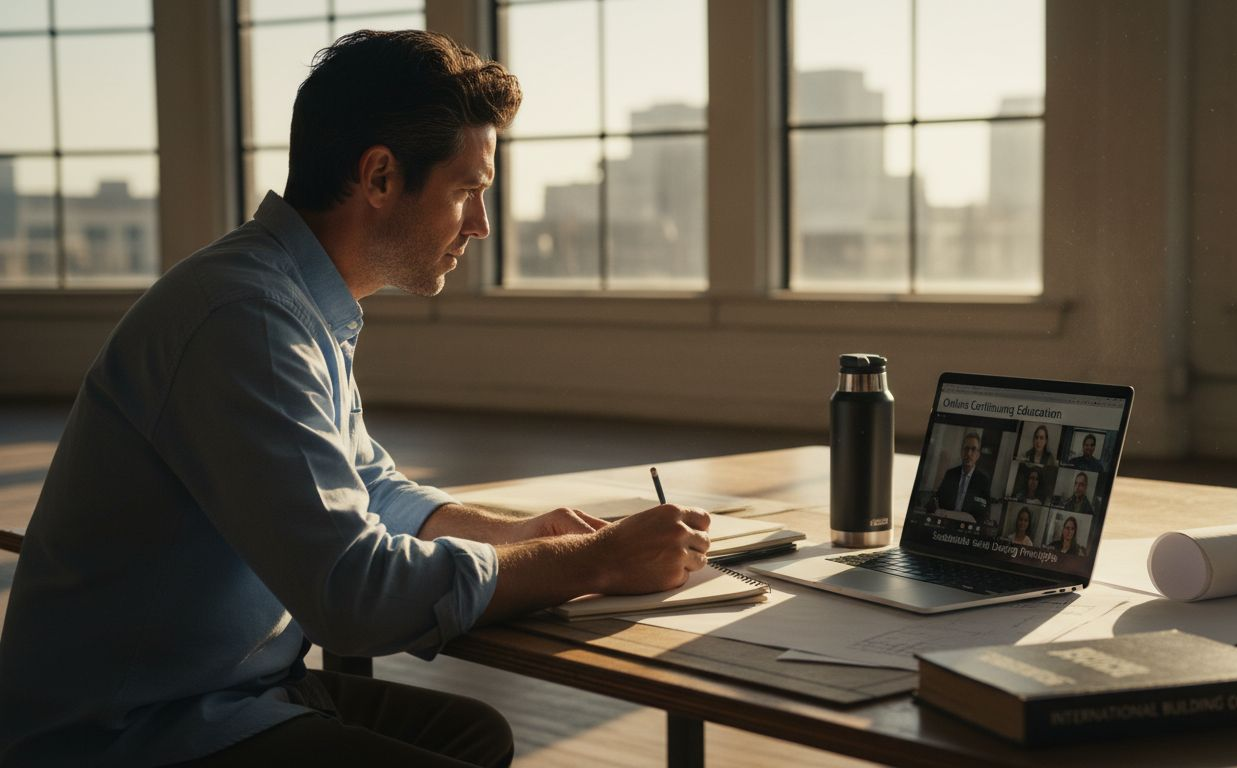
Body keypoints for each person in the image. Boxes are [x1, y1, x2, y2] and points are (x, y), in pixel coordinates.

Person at [0, 31, 713, 767]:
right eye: (467, 191)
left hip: (222, 692)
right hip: (130, 733)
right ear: (379, 177)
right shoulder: (246, 319)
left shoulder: (293, 299)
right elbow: (354, 596)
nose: (481, 225)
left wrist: (523, 534)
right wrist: (592, 561)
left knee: (476, 736)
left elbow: (369, 489)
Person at [927, 431, 992, 522]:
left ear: (978, 455)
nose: (969, 453)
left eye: (973, 449)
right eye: (966, 448)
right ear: (961, 452)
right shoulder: (950, 474)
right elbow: (938, 499)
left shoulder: (983, 480)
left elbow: (984, 512)